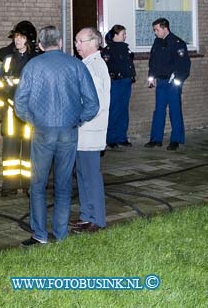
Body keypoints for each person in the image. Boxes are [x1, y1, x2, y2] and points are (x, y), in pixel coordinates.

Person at [13, 26, 99, 246]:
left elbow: (20, 103)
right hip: (68, 132)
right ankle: (61, 235)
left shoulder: (33, 66)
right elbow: (92, 104)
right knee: (63, 186)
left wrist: (33, 121)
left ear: (40, 45)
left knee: (38, 185)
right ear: (60, 42)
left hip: (42, 132)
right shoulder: (76, 65)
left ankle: (40, 234)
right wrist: (77, 120)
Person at [0, 21, 39, 197]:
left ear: (30, 40)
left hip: (30, 114)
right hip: (10, 113)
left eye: (21, 37)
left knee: (29, 150)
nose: (17, 40)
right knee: (9, 151)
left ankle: (29, 185)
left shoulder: (36, 61)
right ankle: (9, 185)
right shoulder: (8, 59)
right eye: (16, 37)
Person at [71, 28, 110, 234]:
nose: (76, 44)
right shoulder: (86, 65)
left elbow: (92, 103)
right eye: (76, 40)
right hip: (83, 132)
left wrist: (76, 118)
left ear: (93, 42)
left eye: (80, 40)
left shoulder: (93, 67)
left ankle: (97, 219)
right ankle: (86, 216)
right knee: (83, 175)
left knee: (91, 176)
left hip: (89, 130)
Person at [145, 17, 191, 151]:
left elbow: (184, 65)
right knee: (158, 111)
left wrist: (177, 80)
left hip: (172, 84)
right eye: (154, 30)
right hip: (161, 82)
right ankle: (156, 139)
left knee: (174, 111)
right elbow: (153, 60)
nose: (155, 33)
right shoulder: (157, 42)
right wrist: (151, 76)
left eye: (157, 30)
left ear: (165, 28)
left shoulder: (178, 43)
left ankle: (175, 140)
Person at [102, 25, 136, 149]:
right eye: (123, 34)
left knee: (123, 110)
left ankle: (122, 137)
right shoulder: (108, 50)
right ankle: (110, 138)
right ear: (115, 36)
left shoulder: (126, 48)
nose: (125, 36)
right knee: (114, 110)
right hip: (115, 83)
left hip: (126, 82)